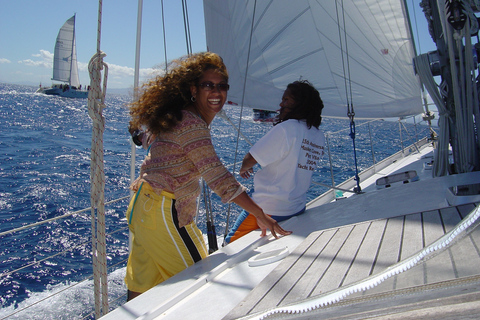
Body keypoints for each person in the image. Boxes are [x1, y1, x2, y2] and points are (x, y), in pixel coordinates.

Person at [125, 52, 291, 301]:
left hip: (143, 207)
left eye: (222, 86)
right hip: (163, 211)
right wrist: (260, 215)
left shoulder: (180, 116)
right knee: (201, 287)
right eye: (208, 85)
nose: (217, 92)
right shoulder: (192, 124)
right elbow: (219, 179)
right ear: (194, 89)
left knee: (141, 294)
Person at [225, 80, 325, 244]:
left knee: (230, 243)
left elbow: (251, 158)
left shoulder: (287, 128)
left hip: (268, 209)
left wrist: (244, 168)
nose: (281, 103)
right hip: (297, 208)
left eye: (286, 100)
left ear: (300, 104)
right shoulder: (318, 135)